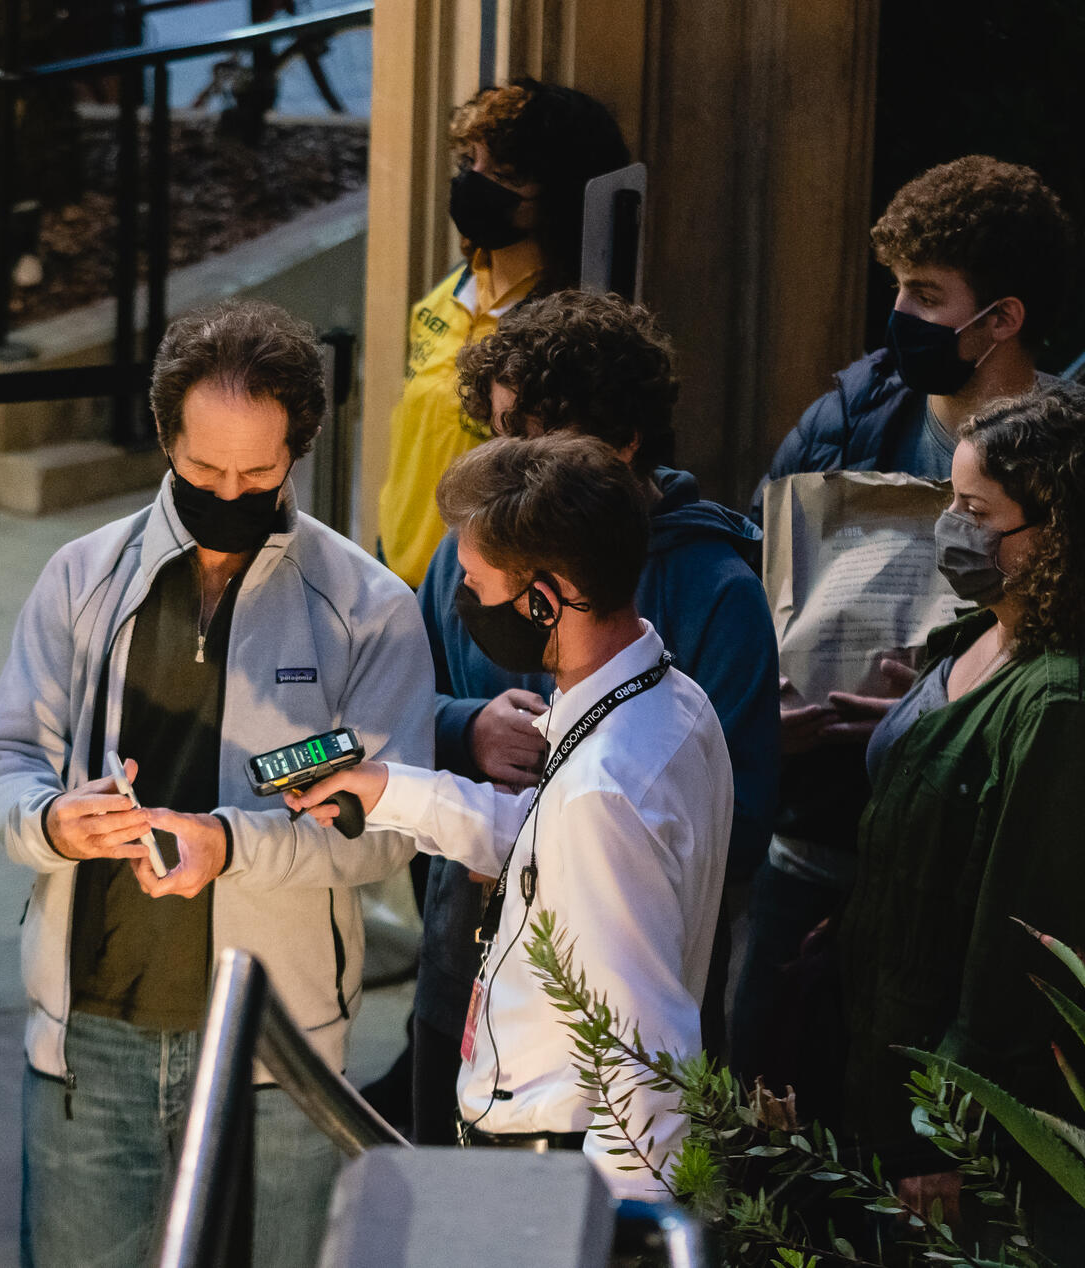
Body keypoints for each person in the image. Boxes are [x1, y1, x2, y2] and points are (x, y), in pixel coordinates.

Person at [0, 299, 434, 1268]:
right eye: (203, 469)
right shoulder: (78, 577)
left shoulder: (366, 609)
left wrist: (229, 843)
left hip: (281, 1055)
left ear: (296, 453)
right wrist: (53, 820)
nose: (228, 490)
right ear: (164, 438)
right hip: (92, 1048)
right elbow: (0, 759)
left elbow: (388, 831)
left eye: (256, 473)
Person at [733, 155, 1085, 1093]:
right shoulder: (846, 424)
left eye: (925, 294)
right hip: (816, 843)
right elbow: (757, 584)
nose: (898, 315)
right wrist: (761, 709)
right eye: (895, 286)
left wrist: (938, 715)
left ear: (1002, 319)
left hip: (960, 889)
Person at [290, 433, 734, 1197]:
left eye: (475, 585)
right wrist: (385, 789)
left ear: (544, 597)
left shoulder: (605, 791)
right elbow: (542, 845)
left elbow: (645, 1062)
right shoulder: (665, 699)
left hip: (553, 1172)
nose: (464, 605)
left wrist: (611, 1239)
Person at [405, 290, 779, 1144]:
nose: (508, 463)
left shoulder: (717, 590)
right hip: (458, 976)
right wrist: (463, 726)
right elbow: (393, 707)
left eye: (535, 441)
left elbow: (738, 827)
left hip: (610, 1048)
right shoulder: (463, 556)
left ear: (623, 443)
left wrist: (572, 813)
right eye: (498, 432)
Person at [837, 383, 1085, 1267]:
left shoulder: (1072, 702)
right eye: (952, 501)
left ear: (1053, 531)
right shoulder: (990, 630)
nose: (952, 526)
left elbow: (1026, 944)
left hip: (971, 1146)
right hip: (899, 1070)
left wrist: (951, 1138)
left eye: (976, 511)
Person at [374, 77, 631, 588]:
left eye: (504, 173)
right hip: (395, 575)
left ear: (557, 194)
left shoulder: (562, 335)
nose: (476, 181)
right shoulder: (449, 291)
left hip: (480, 588)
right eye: (470, 162)